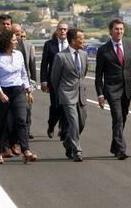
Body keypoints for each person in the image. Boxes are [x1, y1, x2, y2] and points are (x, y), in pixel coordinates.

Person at [95, 18, 131, 160]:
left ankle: (115, 145)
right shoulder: (103, 50)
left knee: (123, 118)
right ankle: (121, 150)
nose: (119, 32)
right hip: (112, 90)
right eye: (116, 29)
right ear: (111, 31)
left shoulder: (130, 46)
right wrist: (100, 94)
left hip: (127, 88)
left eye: (121, 29)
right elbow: (99, 75)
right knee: (117, 118)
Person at [0, 30, 37, 164]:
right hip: (2, 92)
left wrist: (28, 91)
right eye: (14, 40)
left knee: (22, 120)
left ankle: (26, 150)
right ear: (7, 42)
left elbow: (23, 73)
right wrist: (0, 93)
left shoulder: (19, 55)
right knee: (1, 123)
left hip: (18, 90)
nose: (17, 41)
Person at [0, 14, 27, 157]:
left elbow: (24, 67)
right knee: (4, 120)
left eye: (8, 24)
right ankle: (4, 148)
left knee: (20, 118)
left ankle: (16, 144)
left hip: (18, 88)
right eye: (3, 24)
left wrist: (29, 87)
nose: (6, 26)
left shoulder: (18, 45)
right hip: (0, 87)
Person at [51, 28, 88, 162]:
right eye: (81, 38)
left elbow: (82, 74)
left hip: (81, 94)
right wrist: (60, 93)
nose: (83, 40)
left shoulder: (84, 54)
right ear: (73, 41)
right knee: (73, 122)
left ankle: (68, 142)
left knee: (81, 122)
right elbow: (55, 78)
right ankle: (77, 151)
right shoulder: (61, 56)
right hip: (67, 94)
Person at [40, 22, 69, 140]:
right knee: (56, 106)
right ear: (56, 31)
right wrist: (43, 81)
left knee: (66, 106)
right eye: (60, 29)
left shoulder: (71, 44)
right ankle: (51, 124)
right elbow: (44, 64)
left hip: (67, 81)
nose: (63, 31)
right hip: (53, 81)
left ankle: (63, 130)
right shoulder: (49, 45)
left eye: (65, 29)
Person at [13, 25, 37, 139]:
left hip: (27, 82)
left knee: (28, 109)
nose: (21, 38)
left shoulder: (29, 46)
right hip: (14, 84)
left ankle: (27, 130)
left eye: (23, 36)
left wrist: (33, 85)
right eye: (19, 35)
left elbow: (32, 66)